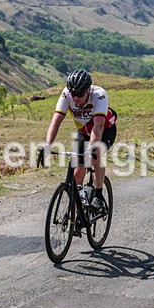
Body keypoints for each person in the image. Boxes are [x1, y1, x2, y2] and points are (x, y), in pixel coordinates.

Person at [42, 69, 117, 212]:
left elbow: (98, 126)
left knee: (97, 154)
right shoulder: (66, 94)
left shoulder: (99, 95)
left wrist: (91, 149)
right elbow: (56, 121)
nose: (76, 98)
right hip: (83, 131)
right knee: (77, 172)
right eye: (73, 93)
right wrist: (48, 145)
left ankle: (99, 196)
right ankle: (79, 206)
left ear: (88, 89)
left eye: (80, 94)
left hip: (105, 129)